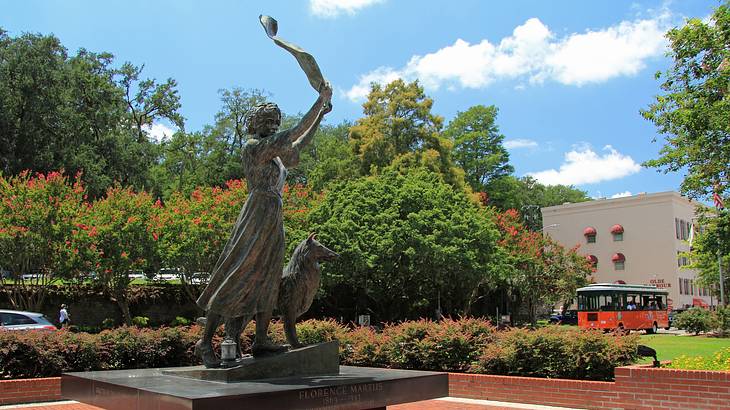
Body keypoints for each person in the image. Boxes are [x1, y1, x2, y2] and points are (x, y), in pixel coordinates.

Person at [195, 83, 333, 367]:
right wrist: (319, 101)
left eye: (274, 121)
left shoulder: (275, 155)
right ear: (255, 125)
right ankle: (205, 341)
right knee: (237, 275)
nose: (271, 126)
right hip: (257, 213)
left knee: (270, 279)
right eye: (266, 121)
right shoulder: (253, 148)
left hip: (273, 215)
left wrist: (320, 115)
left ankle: (260, 340)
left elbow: (297, 144)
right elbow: (291, 135)